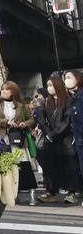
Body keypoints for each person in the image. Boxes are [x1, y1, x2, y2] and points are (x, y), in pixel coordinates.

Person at [36, 73, 80, 204]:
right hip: (50, 141)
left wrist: (52, 134)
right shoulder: (45, 102)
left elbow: (67, 121)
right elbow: (41, 120)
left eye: (51, 85)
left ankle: (71, 192)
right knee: (50, 167)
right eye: (47, 85)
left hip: (65, 140)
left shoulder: (68, 100)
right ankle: (51, 191)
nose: (49, 88)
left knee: (69, 167)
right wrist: (48, 133)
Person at [0, 81, 37, 192]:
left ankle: (27, 189)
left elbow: (32, 119)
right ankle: (7, 190)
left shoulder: (22, 105)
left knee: (22, 162)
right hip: (3, 137)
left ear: (13, 91)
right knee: (5, 164)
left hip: (17, 137)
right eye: (3, 89)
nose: (3, 91)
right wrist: (6, 122)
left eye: (7, 89)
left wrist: (25, 124)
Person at [66, 69, 83, 198]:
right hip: (78, 138)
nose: (66, 80)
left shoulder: (80, 96)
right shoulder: (73, 97)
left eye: (69, 77)